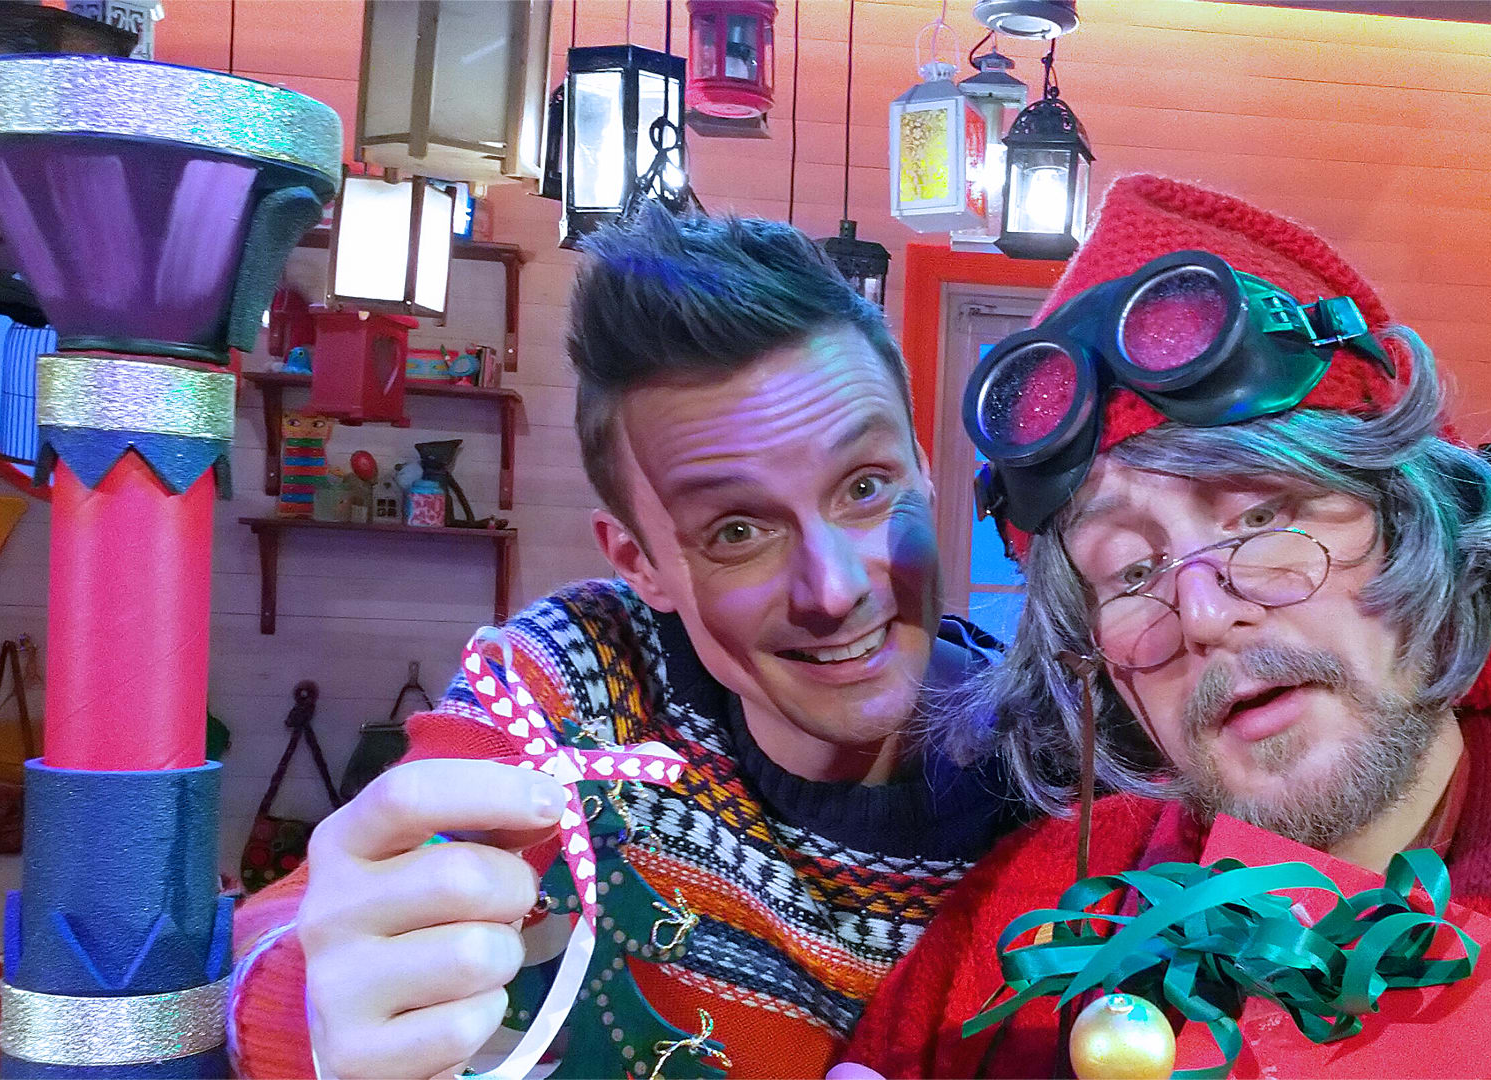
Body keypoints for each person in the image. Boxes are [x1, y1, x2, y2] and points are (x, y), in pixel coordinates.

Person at [840, 175, 1491, 1079]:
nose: (1203, 612)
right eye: (1132, 571)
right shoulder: (1013, 932)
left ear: (1422, 530)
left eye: (1265, 517)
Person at [228, 208, 1023, 1079]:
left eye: (866, 487)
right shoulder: (584, 676)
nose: (834, 589)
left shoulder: (1052, 769)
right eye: (737, 532)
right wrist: (309, 1014)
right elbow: (307, 929)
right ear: (640, 562)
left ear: (923, 468)